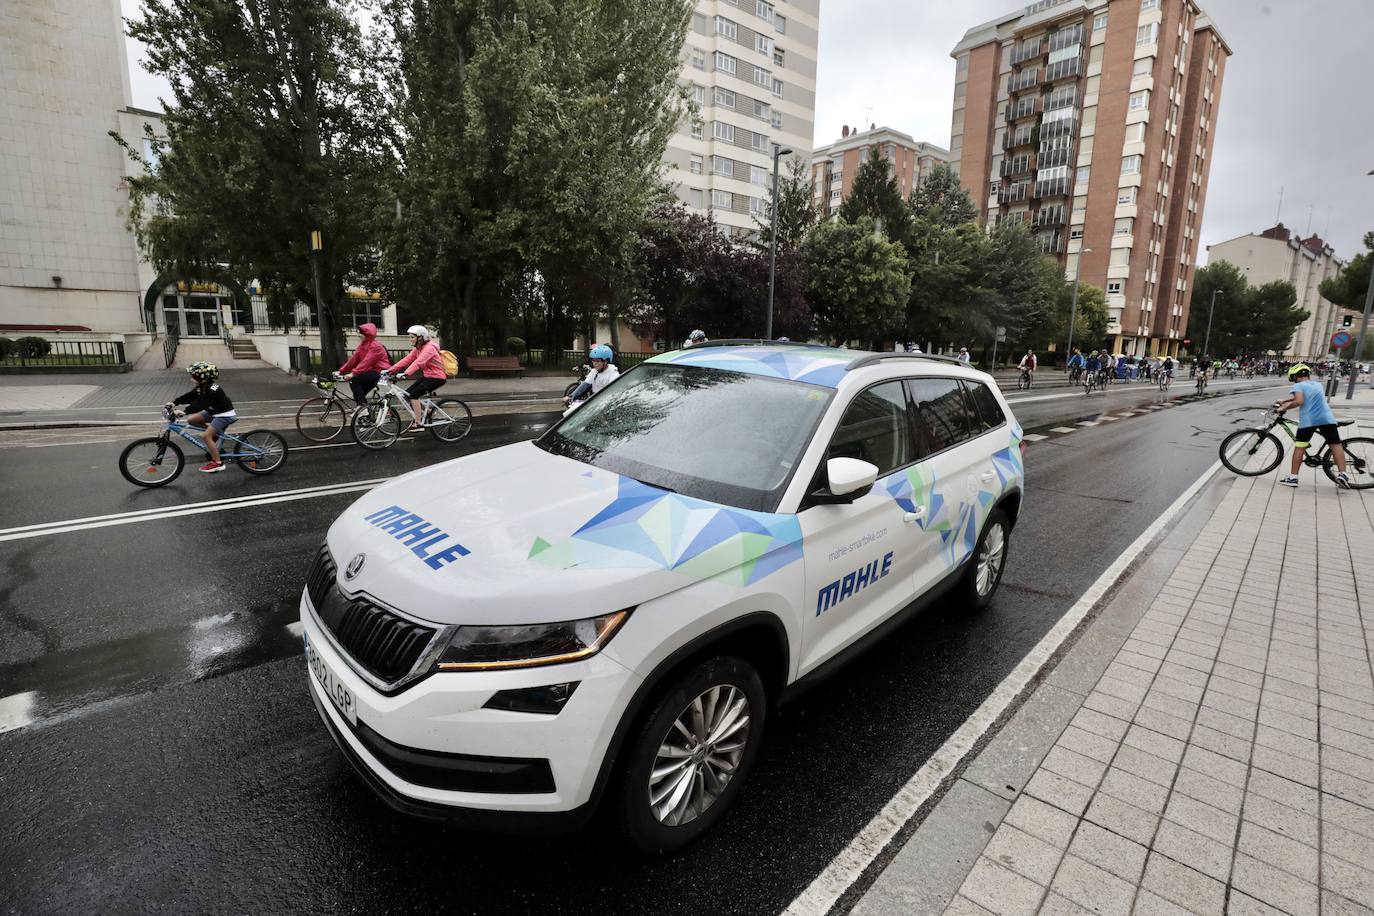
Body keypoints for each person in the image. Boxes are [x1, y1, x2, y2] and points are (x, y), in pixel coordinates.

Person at [1274, 363, 1351, 489]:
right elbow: (1306, 395)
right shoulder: (1317, 384)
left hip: (1309, 421)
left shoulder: (1298, 385)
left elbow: (1299, 400)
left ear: (1295, 376)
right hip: (1327, 419)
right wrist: (1285, 400)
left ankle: (1293, 478)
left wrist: (1283, 408)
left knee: (1300, 447)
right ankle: (1343, 474)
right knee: (1336, 445)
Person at [169, 361, 236, 473]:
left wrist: (185, 411)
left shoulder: (212, 390)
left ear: (203, 379)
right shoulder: (203, 386)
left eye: (194, 377)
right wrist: (174, 403)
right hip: (214, 412)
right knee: (192, 420)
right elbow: (191, 396)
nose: (192, 379)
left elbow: (201, 404)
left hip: (224, 415)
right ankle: (214, 433)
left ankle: (217, 463)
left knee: (206, 436)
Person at [390, 325, 446, 433]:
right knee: (406, 395)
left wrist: (406, 373)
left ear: (420, 338)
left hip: (437, 377)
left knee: (414, 395)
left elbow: (419, 362)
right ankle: (428, 412)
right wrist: (390, 370)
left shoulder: (429, 348)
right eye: (409, 337)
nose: (410, 339)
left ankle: (418, 423)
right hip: (428, 376)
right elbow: (406, 360)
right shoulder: (418, 348)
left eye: (412, 337)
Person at [336, 322, 392, 408]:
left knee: (355, 380)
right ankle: (366, 414)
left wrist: (353, 373)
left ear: (367, 335)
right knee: (358, 394)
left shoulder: (376, 346)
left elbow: (366, 362)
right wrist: (340, 371)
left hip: (380, 373)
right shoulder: (362, 345)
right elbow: (353, 360)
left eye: (361, 333)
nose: (358, 335)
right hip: (372, 372)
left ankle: (362, 409)